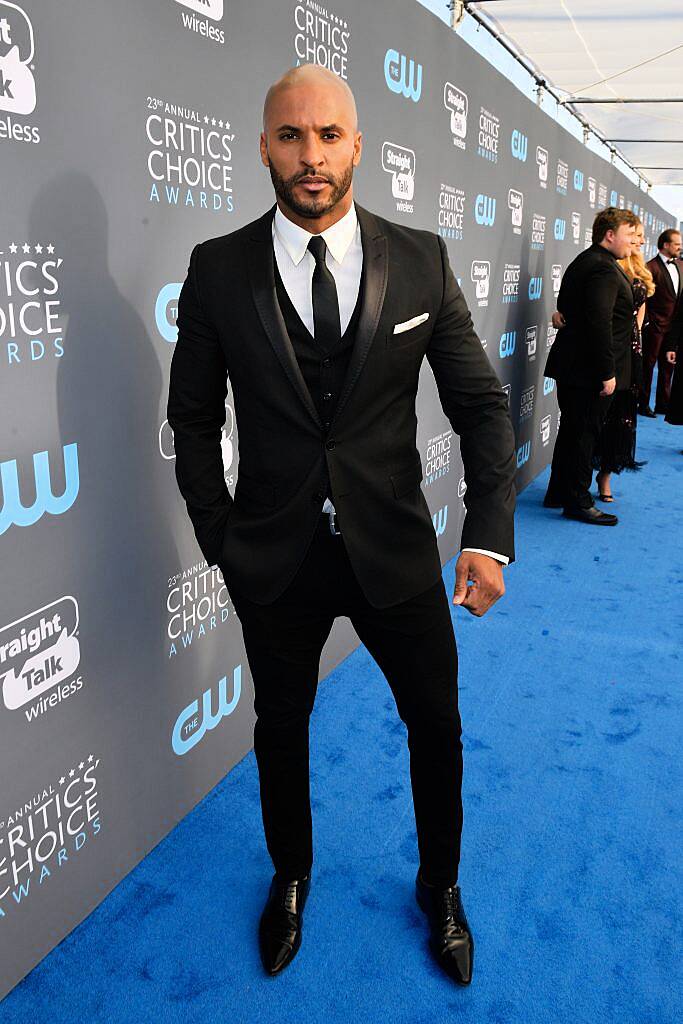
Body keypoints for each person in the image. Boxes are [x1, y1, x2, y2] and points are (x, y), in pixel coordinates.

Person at [167, 64, 516, 986]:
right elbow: (192, 420)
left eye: (327, 136)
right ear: (262, 146)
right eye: (290, 136)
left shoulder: (423, 259)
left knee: (434, 725)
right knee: (280, 725)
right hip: (273, 557)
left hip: (393, 552)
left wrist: (485, 532)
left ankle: (438, 886)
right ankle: (289, 875)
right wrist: (222, 542)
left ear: (357, 144)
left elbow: (482, 406)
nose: (310, 157)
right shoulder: (217, 267)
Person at [543, 207, 636, 525]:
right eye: (629, 235)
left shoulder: (586, 260)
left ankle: (558, 492)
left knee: (571, 431)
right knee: (583, 434)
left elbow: (571, 310)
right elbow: (600, 323)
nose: (633, 242)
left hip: (574, 367)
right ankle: (578, 501)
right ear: (610, 235)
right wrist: (607, 372)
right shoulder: (603, 269)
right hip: (588, 372)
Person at [639, 228, 682, 417]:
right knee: (648, 366)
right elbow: (644, 299)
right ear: (665, 245)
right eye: (677, 244)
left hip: (675, 328)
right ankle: (643, 403)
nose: (680, 247)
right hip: (655, 327)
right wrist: (648, 322)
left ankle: (663, 404)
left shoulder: (681, 265)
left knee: (668, 366)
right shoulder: (650, 267)